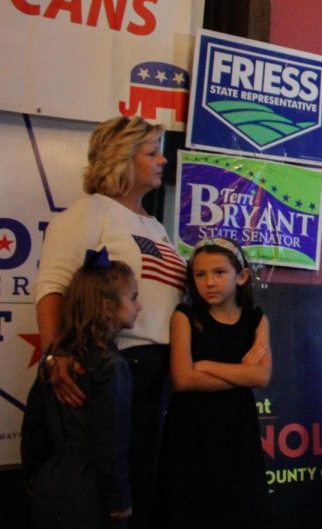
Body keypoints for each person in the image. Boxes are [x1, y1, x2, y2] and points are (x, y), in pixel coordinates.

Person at [32, 115, 184, 527]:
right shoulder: (90, 212)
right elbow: (52, 287)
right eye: (152, 152)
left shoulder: (154, 225)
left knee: (142, 486)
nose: (163, 161)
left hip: (157, 372)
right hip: (116, 366)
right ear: (121, 159)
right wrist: (55, 357)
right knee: (110, 493)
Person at [154, 238, 271, 529]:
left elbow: (261, 376)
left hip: (237, 429)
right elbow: (183, 379)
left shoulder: (256, 319)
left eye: (220, 273)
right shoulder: (185, 316)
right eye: (200, 274)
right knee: (191, 508)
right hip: (191, 428)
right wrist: (239, 373)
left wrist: (207, 366)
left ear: (241, 276)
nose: (210, 282)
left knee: (239, 508)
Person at [23, 250, 140, 528]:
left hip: (50, 481)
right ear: (108, 307)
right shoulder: (112, 366)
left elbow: (34, 429)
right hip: (92, 489)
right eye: (133, 298)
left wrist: (34, 477)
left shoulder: (55, 361)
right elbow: (111, 440)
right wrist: (119, 497)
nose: (139, 306)